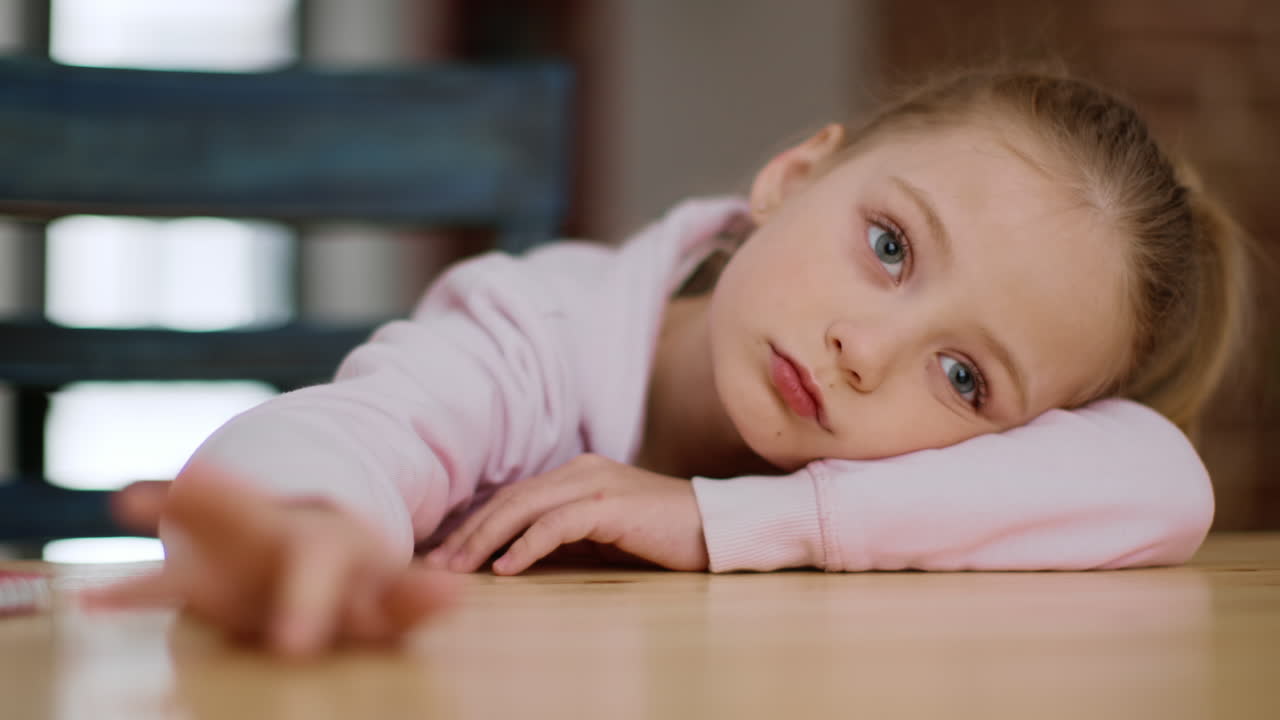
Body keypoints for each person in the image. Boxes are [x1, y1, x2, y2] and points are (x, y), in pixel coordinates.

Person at [86, 68, 1250, 657]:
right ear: (794, 178)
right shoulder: (532, 334)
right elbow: (354, 432)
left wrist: (722, 521)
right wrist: (309, 523)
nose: (866, 350)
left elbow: (1160, 483)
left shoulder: (915, 491)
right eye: (888, 247)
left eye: (963, 380)